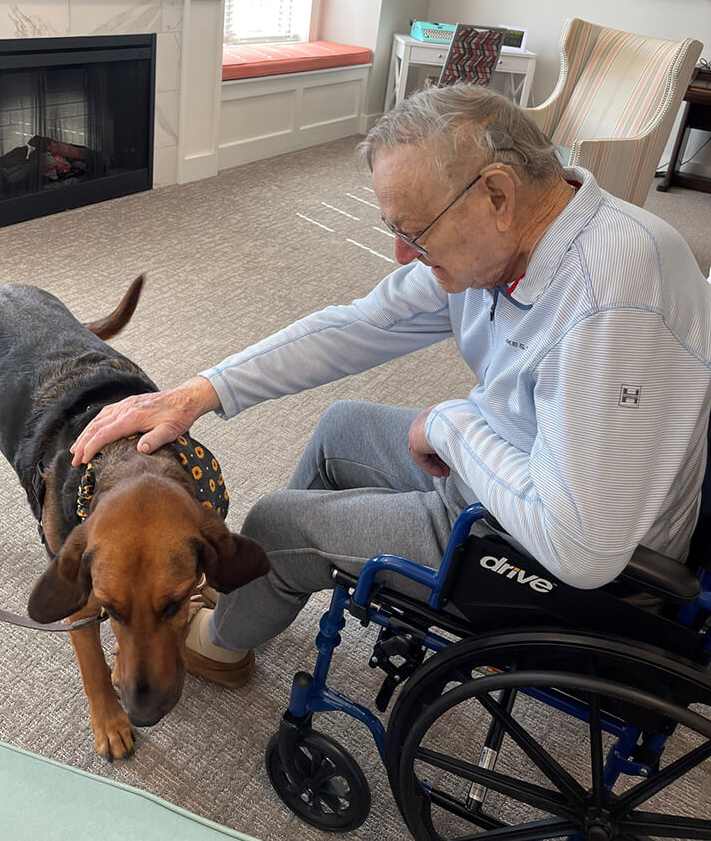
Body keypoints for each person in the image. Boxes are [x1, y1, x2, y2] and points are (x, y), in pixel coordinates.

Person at [71, 82, 711, 686]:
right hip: (507, 470)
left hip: (549, 553)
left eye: (414, 230)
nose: (405, 253)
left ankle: (221, 639)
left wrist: (451, 426)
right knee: (339, 427)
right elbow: (359, 324)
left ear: (496, 194)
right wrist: (198, 392)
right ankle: (266, 593)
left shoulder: (611, 299)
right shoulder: (509, 242)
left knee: (274, 524)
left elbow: (583, 549)